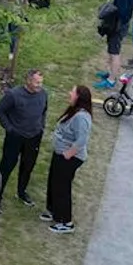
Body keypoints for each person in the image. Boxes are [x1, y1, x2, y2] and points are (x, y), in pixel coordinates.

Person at [0, 70, 47, 207]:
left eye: (41, 82)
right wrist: (9, 128)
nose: (40, 85)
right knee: (6, 166)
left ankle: (21, 192)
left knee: (28, 166)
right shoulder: (13, 95)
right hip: (15, 137)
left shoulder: (43, 94)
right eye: (37, 82)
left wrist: (41, 126)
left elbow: (44, 111)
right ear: (28, 81)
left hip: (34, 137)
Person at [41, 87, 91, 234]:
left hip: (69, 158)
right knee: (53, 183)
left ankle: (65, 221)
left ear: (79, 97)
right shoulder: (74, 110)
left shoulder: (81, 117)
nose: (70, 93)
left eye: (73, 92)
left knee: (62, 187)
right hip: (60, 154)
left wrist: (68, 154)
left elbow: (82, 140)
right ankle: (53, 210)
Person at [94, 0, 133, 91]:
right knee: (111, 49)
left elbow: (121, 11)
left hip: (118, 26)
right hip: (121, 24)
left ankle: (111, 80)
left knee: (114, 52)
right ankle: (110, 72)